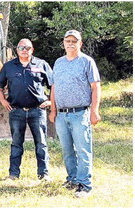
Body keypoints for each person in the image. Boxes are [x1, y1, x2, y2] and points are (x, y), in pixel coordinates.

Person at [49, 30, 101, 198]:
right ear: (63, 43)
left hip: (80, 113)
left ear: (80, 43)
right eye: (67, 40)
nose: (70, 43)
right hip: (62, 115)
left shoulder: (87, 61)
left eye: (74, 41)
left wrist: (94, 111)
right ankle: (72, 179)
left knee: (83, 149)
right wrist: (53, 109)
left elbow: (95, 87)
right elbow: (54, 87)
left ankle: (84, 185)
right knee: (66, 149)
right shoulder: (58, 62)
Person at [0, 38, 53, 181]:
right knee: (16, 143)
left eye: (27, 48)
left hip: (37, 110)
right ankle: (13, 174)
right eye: (21, 47)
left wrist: (49, 101)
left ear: (32, 50)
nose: (24, 50)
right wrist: (3, 100)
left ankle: (44, 174)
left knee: (41, 143)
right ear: (17, 50)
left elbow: (53, 85)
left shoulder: (41, 64)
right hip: (16, 111)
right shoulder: (9, 66)